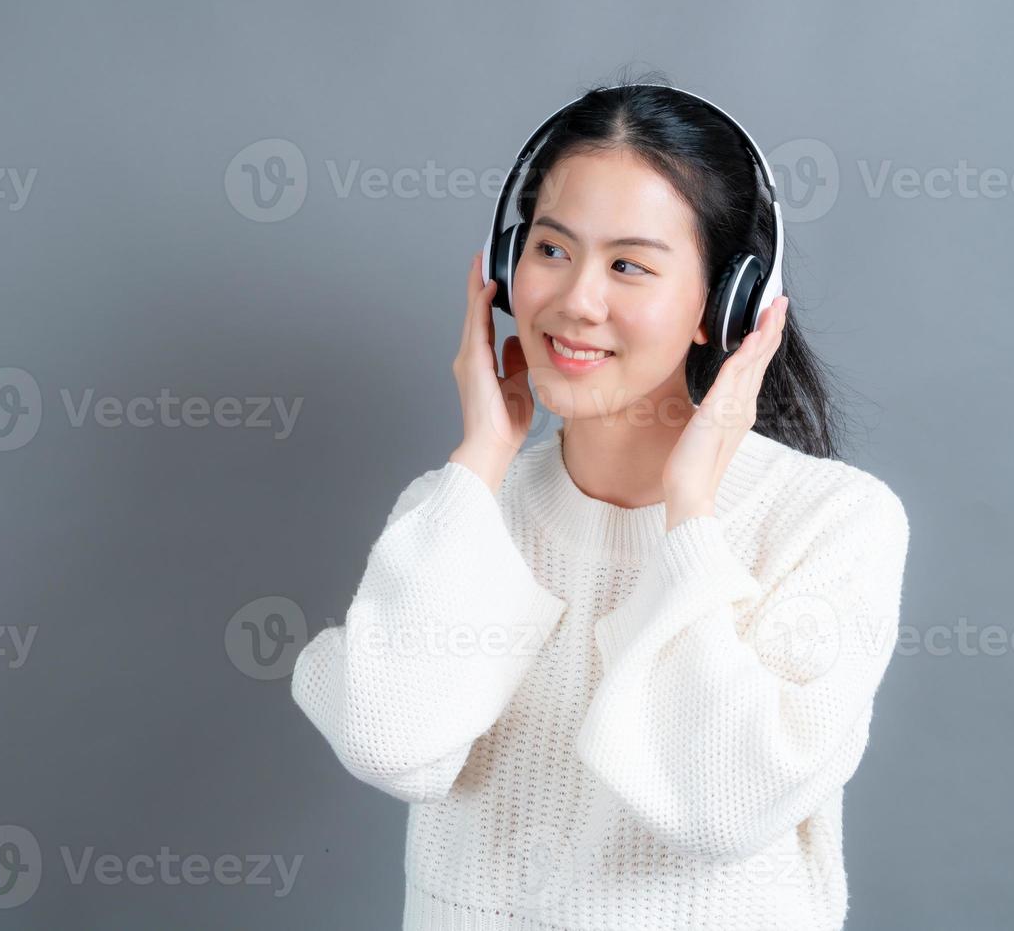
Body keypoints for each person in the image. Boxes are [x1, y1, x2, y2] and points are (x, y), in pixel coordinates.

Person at [289, 80, 911, 931]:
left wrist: (689, 517)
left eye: (629, 265)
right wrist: (480, 458)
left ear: (724, 307)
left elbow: (724, 808)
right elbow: (391, 744)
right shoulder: (462, 509)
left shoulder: (831, 522)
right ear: (506, 269)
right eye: (551, 249)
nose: (577, 300)